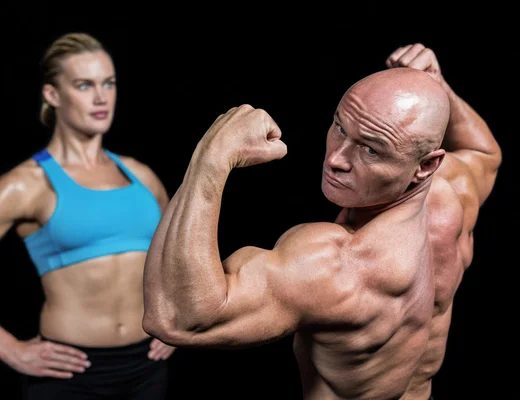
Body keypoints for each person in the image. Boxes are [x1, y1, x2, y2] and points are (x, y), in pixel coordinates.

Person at [141, 43, 501, 400]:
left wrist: (210, 158)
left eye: (371, 149)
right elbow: (484, 152)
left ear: (425, 166)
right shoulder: (455, 194)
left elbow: (176, 317)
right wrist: (438, 87)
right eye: (341, 128)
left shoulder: (339, 264)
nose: (337, 160)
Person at [0, 32, 175, 399]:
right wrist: (12, 350)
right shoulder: (25, 185)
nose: (101, 97)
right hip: (71, 377)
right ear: (52, 95)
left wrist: (180, 322)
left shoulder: (143, 176)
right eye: (84, 85)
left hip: (148, 368)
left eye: (109, 83)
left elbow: (177, 260)